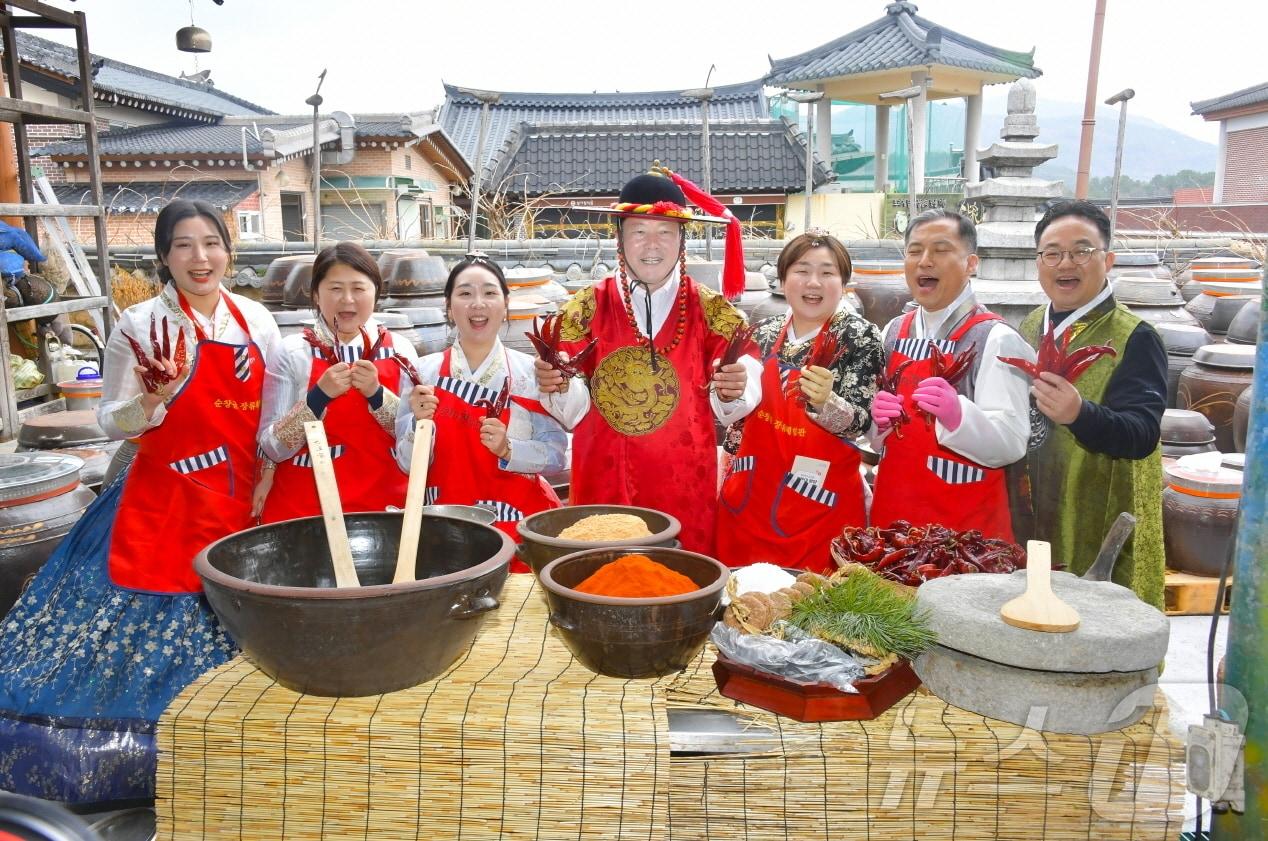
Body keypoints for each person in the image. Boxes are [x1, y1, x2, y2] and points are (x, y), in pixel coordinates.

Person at [0, 199, 281, 803]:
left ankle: (243, 753)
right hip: (163, 497)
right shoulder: (138, 325)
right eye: (183, 245)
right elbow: (112, 423)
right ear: (163, 257)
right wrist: (154, 399)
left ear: (229, 252)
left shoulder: (257, 322)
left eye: (211, 243)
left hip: (240, 497)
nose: (199, 257)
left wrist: (269, 470)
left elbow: (271, 419)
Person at [534, 166, 761, 554]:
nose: (651, 245)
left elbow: (743, 381)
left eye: (665, 233)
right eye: (639, 232)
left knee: (679, 584)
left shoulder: (712, 310)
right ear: (619, 237)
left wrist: (735, 388)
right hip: (605, 484)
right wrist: (557, 384)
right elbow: (571, 410)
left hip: (684, 483)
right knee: (599, 585)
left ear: (682, 241)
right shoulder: (583, 308)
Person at [1019, 200, 1166, 608]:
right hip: (1035, 505)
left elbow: (1142, 434)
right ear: (1039, 262)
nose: (1066, 263)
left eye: (1082, 251)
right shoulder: (1032, 324)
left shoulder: (1134, 336)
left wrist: (1080, 414)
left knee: (1096, 622)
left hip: (1098, 511)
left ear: (1108, 259)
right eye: (1052, 253)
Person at [717, 231, 884, 571]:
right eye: (802, 270)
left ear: (843, 283)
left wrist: (828, 403)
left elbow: (862, 422)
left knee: (813, 607)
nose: (813, 283)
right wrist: (725, 395)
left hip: (818, 504)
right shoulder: (761, 331)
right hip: (750, 497)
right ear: (782, 278)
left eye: (827, 273)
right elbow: (734, 417)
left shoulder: (860, 336)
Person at [868, 208, 1034, 540]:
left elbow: (1013, 443)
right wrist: (878, 424)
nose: (924, 261)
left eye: (941, 250)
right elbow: (876, 443)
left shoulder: (995, 338)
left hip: (962, 531)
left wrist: (959, 416)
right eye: (914, 251)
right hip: (892, 518)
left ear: (971, 264)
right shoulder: (893, 332)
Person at [397, 254, 565, 568]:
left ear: (506, 305)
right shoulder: (422, 373)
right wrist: (419, 426)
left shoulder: (531, 373)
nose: (478, 303)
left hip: (516, 530)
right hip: (443, 530)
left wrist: (508, 448)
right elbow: (407, 465)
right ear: (448, 306)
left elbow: (556, 456)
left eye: (489, 293)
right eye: (464, 294)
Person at [257, 242, 415, 522]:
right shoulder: (293, 351)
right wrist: (317, 398)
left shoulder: (401, 351)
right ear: (316, 294)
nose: (347, 299)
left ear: (376, 292)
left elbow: (414, 442)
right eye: (335, 289)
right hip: (306, 508)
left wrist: (377, 395)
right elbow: (272, 446)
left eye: (358, 288)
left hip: (385, 508)